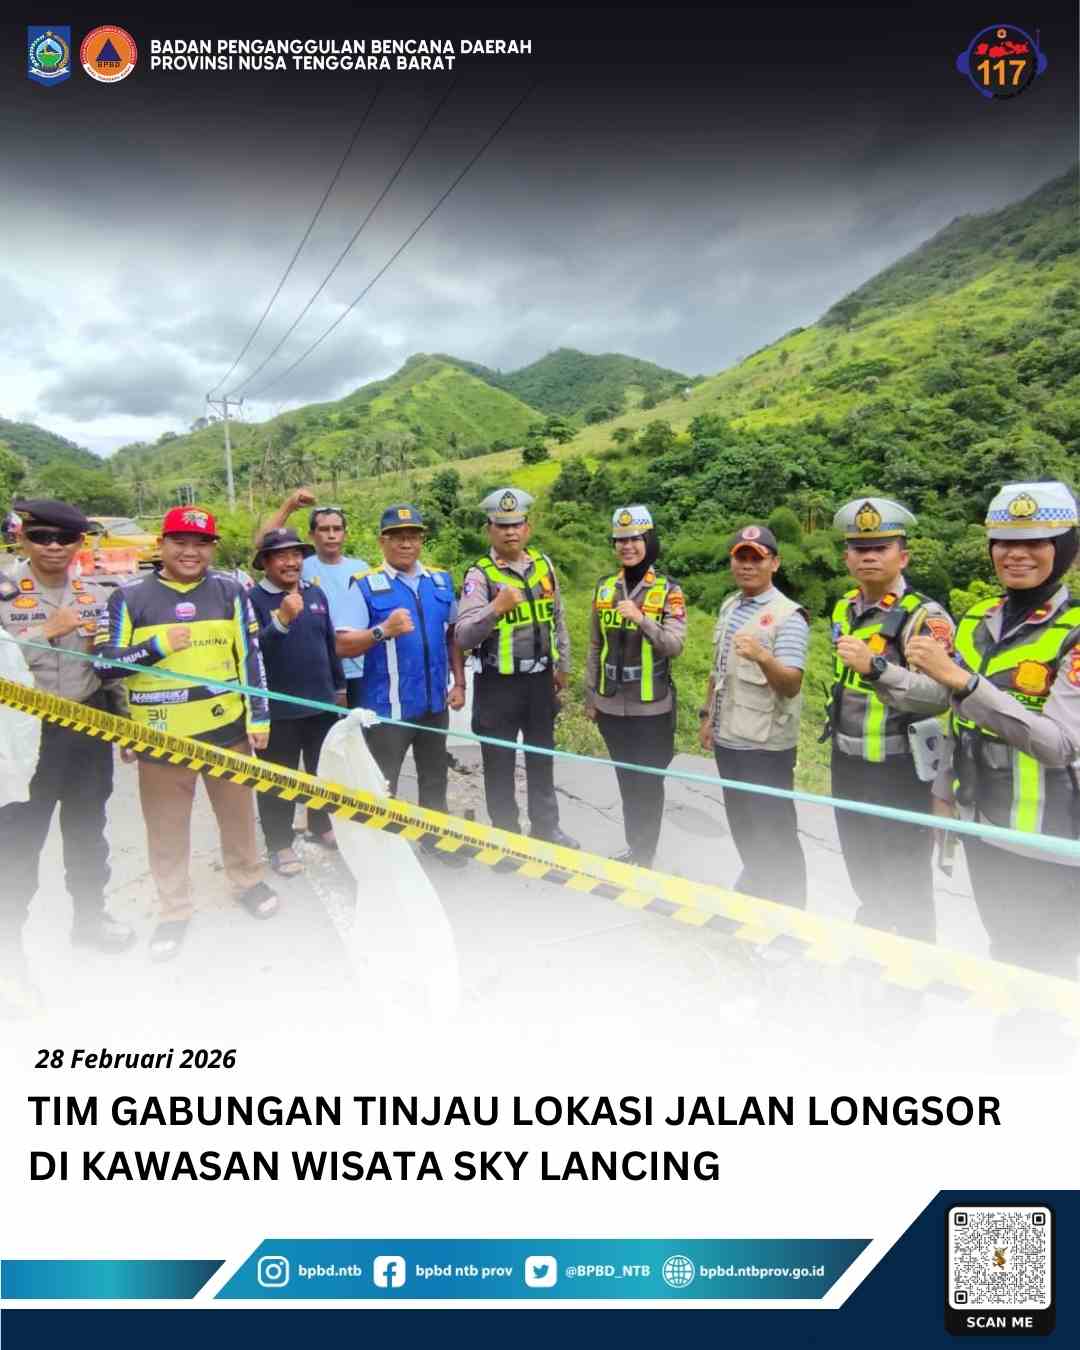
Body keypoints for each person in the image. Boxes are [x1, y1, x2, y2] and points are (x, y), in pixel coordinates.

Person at [907, 481, 1080, 979]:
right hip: (984, 827)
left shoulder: (1073, 632)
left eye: (1035, 542)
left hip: (1052, 843)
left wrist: (963, 680)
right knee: (1003, 953)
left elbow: (1059, 745)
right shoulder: (980, 618)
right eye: (1004, 541)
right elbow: (953, 711)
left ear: (1063, 549)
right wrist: (881, 674)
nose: (1016, 554)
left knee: (1047, 970)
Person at [95, 506, 278, 961]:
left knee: (237, 817)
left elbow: (250, 656)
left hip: (226, 729)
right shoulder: (128, 596)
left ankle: (248, 881)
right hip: (159, 738)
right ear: (162, 543)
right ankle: (174, 909)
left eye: (201, 543)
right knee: (166, 829)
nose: (190, 551)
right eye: (180, 541)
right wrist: (155, 647)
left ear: (212, 547)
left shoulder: (231, 591)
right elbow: (104, 665)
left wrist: (259, 716)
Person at [0, 499, 134, 973]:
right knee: (18, 841)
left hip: (88, 728)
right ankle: (10, 950)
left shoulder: (97, 595)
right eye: (41, 537)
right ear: (22, 539)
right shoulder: (3, 593)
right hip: (25, 735)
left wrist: (126, 726)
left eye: (64, 538)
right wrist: (42, 633)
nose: (53, 546)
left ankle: (90, 919)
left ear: (80, 543)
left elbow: (110, 668)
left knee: (87, 831)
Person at [828, 496, 956, 941]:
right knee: (860, 862)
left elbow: (941, 695)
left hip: (898, 769)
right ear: (846, 557)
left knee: (906, 877)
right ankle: (875, 943)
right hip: (846, 760)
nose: (868, 556)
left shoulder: (926, 616)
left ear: (903, 555)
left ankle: (913, 975)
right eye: (859, 548)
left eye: (880, 547)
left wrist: (878, 668)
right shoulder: (844, 607)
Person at [335, 505, 468, 869]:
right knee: (382, 784)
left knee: (434, 776)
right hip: (387, 708)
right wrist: (383, 630)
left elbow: (453, 637)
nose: (406, 543)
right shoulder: (364, 584)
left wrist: (459, 682)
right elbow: (342, 644)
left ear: (421, 540)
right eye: (397, 536)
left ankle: (435, 839)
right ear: (383, 541)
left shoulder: (440, 581)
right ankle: (377, 854)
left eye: (413, 535)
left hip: (433, 703)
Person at [455, 488, 578, 848]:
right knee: (499, 763)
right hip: (499, 685)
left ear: (528, 526)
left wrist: (563, 667)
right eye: (501, 525)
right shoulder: (480, 575)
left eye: (517, 524)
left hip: (540, 681)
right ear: (489, 529)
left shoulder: (544, 565)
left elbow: (558, 618)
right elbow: (462, 635)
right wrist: (495, 608)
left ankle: (546, 828)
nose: (510, 532)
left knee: (542, 758)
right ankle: (506, 837)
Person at [700, 524, 809, 908]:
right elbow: (719, 669)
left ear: (774, 564)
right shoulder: (730, 606)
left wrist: (763, 657)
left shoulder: (788, 616)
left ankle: (790, 908)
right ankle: (757, 886)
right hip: (729, 738)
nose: (747, 566)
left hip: (765, 745)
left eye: (756, 559)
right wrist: (707, 716)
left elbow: (792, 684)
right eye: (740, 558)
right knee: (743, 823)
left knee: (775, 830)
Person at [585, 505, 686, 867]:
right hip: (612, 705)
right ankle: (634, 847)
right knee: (627, 780)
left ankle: (646, 852)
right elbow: (595, 645)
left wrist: (642, 619)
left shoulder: (668, 590)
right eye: (620, 540)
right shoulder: (605, 588)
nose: (627, 546)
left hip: (651, 708)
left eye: (635, 539)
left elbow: (674, 645)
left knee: (648, 782)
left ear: (649, 541)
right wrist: (591, 695)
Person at [247, 527, 346, 875]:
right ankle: (279, 842)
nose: (291, 562)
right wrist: (283, 619)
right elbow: (252, 651)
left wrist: (339, 687)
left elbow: (328, 642)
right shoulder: (253, 600)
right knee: (279, 779)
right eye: (281, 556)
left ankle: (320, 824)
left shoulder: (316, 593)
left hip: (321, 703)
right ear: (265, 562)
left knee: (322, 772)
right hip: (279, 710)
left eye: (296, 555)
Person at [259, 489, 370, 707]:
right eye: (324, 529)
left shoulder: (362, 568)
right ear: (311, 535)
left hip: (360, 669)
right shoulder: (301, 566)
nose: (331, 535)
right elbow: (265, 544)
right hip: (319, 671)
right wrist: (289, 506)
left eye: (337, 529)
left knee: (360, 737)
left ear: (345, 534)